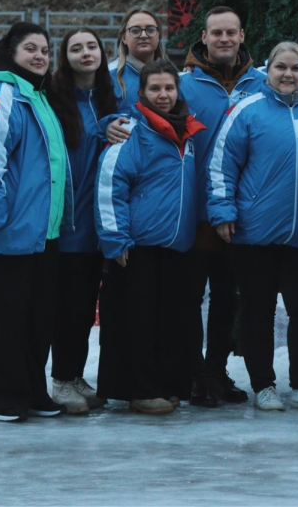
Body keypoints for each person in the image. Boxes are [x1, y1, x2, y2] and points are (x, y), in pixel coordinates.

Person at [207, 42, 298, 413]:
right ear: (268, 70)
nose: (288, 74)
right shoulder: (247, 110)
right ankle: (263, 385)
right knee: (257, 310)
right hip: (253, 233)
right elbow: (221, 164)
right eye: (281, 67)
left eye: (296, 68)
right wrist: (222, 211)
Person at [0, 22, 71, 422]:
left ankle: (31, 391)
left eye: (45, 50)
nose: (40, 56)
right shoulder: (1, 93)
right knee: (0, 319)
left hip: (42, 233)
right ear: (9, 53)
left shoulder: (36, 96)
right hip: (5, 231)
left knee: (35, 318)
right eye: (30, 48)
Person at [95, 59, 206, 414]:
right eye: (155, 89)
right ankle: (138, 390)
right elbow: (110, 185)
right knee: (138, 323)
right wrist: (116, 240)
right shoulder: (132, 130)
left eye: (169, 88)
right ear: (141, 93)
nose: (163, 95)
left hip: (176, 248)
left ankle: (165, 385)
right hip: (138, 246)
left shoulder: (186, 132)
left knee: (168, 323)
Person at [178, 6, 264, 407]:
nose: (225, 39)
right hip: (195, 211)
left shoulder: (263, 83)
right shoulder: (183, 86)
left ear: (242, 35)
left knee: (229, 297)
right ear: (205, 37)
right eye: (217, 33)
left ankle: (217, 369)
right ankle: (193, 372)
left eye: (231, 32)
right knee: (191, 296)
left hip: (242, 213)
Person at [47, 28, 119, 414]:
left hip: (100, 225)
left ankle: (75, 375)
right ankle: (61, 379)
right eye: (76, 48)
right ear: (66, 56)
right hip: (68, 225)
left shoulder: (112, 98)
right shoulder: (57, 101)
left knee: (86, 304)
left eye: (91, 46)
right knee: (68, 307)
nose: (85, 53)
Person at [109, 9, 167, 113]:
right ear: (124, 38)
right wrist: (107, 124)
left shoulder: (171, 76)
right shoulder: (108, 75)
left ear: (159, 36)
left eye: (150, 30)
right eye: (135, 30)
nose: (144, 35)